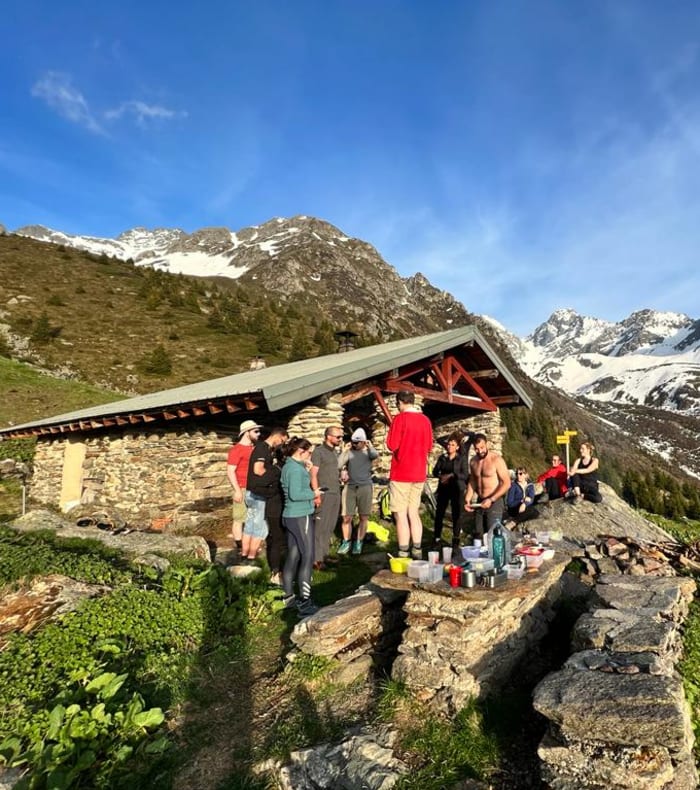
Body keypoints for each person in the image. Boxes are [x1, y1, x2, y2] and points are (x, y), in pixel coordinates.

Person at [386, 390, 433, 559]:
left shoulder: (399, 419)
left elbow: (392, 445)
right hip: (419, 473)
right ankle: (417, 550)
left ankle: (403, 551)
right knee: (413, 512)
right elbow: (429, 447)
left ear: (400, 402)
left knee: (400, 514)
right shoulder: (426, 420)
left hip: (401, 473)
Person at [280, 437, 319, 617]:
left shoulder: (290, 466)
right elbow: (296, 494)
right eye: (308, 452)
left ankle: (288, 596)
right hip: (300, 515)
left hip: (290, 516)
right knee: (307, 556)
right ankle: (305, 603)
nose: (310, 455)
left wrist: (307, 470)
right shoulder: (294, 470)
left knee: (293, 555)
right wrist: (315, 493)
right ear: (300, 451)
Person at [242, 426, 289, 564]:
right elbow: (258, 470)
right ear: (277, 436)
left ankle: (244, 554)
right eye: (282, 440)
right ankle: (251, 557)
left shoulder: (263, 448)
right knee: (260, 527)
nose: (281, 444)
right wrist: (274, 473)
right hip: (259, 492)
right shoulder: (263, 448)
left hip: (252, 491)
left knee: (250, 525)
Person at [337, 427, 378, 555]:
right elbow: (338, 465)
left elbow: (374, 455)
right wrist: (344, 451)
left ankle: (359, 542)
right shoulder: (349, 452)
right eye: (353, 442)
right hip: (350, 487)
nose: (355, 444)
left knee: (363, 517)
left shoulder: (368, 453)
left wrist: (369, 446)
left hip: (365, 486)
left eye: (357, 442)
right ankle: (346, 542)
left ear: (364, 442)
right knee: (346, 517)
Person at [464, 433, 511, 537]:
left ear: (487, 444)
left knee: (493, 535)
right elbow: (472, 481)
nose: (480, 451)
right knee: (478, 535)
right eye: (476, 449)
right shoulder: (473, 461)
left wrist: (491, 499)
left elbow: (507, 483)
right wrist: (467, 499)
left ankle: (496, 553)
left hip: (495, 500)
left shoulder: (496, 460)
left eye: (482, 447)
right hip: (480, 502)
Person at [310, 425, 343, 569]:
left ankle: (324, 555)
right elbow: (313, 474)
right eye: (338, 437)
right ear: (328, 436)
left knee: (329, 526)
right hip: (324, 493)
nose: (340, 439)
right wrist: (316, 494)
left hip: (335, 492)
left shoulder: (335, 452)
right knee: (320, 527)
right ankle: (316, 559)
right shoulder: (318, 452)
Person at [226, 420, 261, 553]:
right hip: (242, 487)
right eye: (255, 431)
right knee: (239, 518)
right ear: (247, 433)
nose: (259, 434)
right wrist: (237, 490)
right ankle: (240, 547)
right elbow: (230, 471)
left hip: (255, 488)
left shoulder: (255, 448)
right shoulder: (236, 450)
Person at [431, 434, 463, 550]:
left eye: (453, 445)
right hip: (443, 489)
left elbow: (464, 475)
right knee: (439, 514)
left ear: (457, 447)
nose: (450, 446)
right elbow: (435, 472)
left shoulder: (460, 459)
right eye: (448, 444)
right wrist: (441, 477)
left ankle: (456, 539)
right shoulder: (442, 458)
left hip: (456, 489)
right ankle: (437, 538)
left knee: (456, 515)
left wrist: (451, 475)